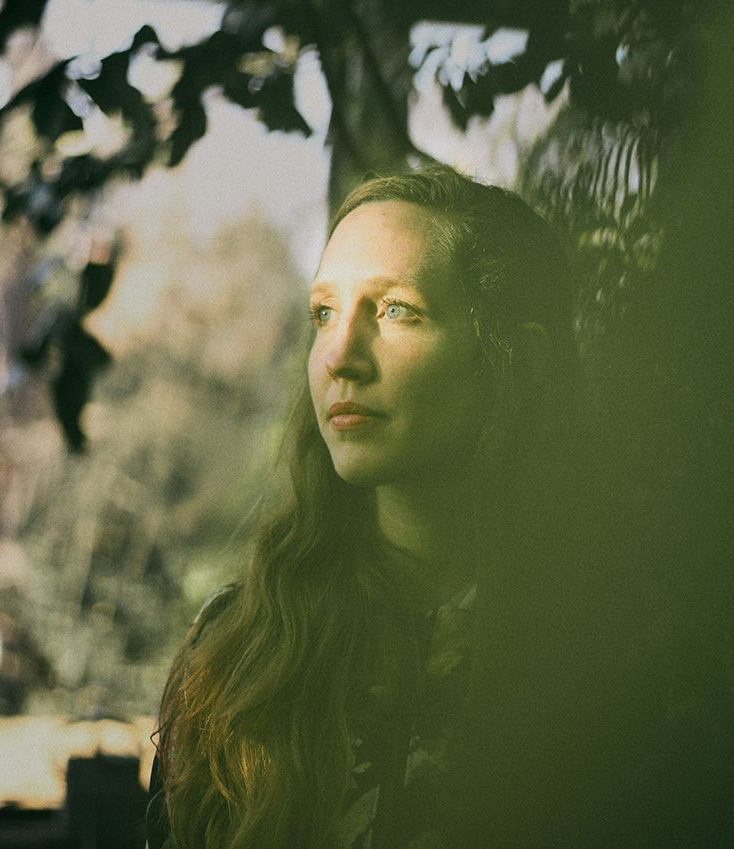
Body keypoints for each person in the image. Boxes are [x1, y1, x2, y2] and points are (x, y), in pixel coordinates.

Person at [148, 165, 623, 849]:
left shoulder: (629, 646)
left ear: (516, 359)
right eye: (324, 313)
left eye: (397, 310)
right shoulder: (237, 649)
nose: (339, 357)